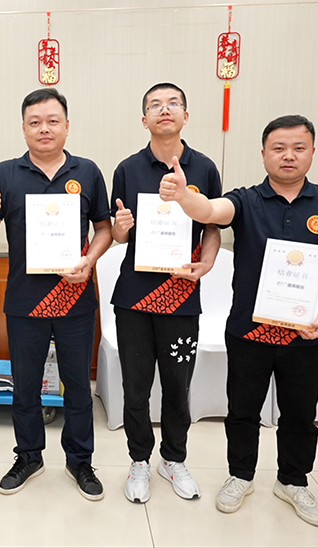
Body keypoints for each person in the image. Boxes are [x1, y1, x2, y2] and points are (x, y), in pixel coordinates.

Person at [160, 115, 318, 527]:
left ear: (313, 152)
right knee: (242, 410)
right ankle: (240, 475)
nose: (288, 156)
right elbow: (211, 210)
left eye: (299, 148)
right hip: (248, 331)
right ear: (264, 153)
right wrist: (184, 197)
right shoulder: (246, 200)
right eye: (278, 148)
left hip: (305, 333)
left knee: (300, 413)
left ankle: (293, 480)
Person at [0, 87, 112, 501]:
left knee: (78, 387)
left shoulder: (88, 172)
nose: (44, 129)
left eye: (53, 121)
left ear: (67, 126)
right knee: (25, 387)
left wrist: (89, 260)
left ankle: (80, 460)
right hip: (24, 302)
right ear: (23, 128)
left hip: (75, 300)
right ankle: (29, 457)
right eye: (35, 122)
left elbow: (104, 229)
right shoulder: (4, 174)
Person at [110, 83, 221, 503]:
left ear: (185, 116)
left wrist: (207, 264)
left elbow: (212, 226)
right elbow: (119, 231)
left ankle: (173, 459)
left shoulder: (204, 168)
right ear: (145, 120)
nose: (164, 109)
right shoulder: (127, 168)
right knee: (135, 387)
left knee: (177, 386)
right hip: (134, 299)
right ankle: (139, 459)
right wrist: (120, 230)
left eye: (173, 103)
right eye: (155, 105)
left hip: (181, 297)